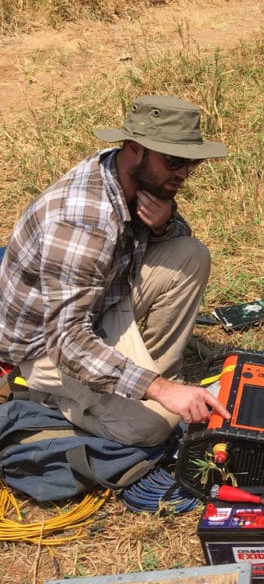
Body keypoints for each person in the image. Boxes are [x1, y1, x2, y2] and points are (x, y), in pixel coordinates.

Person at [0, 95, 230, 447]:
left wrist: (164, 223)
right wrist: (159, 390)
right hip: (46, 346)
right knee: (156, 427)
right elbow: (67, 340)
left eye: (191, 164)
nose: (183, 173)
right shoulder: (82, 220)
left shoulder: (131, 176)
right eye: (174, 161)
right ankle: (47, 395)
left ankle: (151, 382)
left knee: (190, 255)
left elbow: (175, 241)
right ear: (134, 148)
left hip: (101, 303)